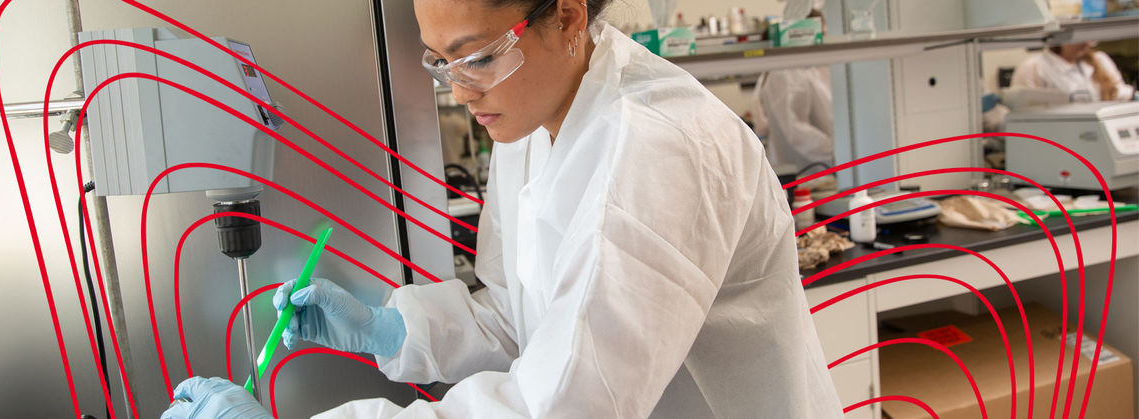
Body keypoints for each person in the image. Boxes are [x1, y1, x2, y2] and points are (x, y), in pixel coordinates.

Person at [165, 0, 843, 417]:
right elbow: (528, 319)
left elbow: (561, 406)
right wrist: (397, 330)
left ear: (569, 17)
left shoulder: (658, 148)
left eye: (478, 57)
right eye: (441, 63)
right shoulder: (533, 115)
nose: (460, 91)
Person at [753, 65, 835, 171]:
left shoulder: (816, 65)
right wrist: (837, 151)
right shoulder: (786, 72)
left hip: (823, 167)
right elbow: (795, 130)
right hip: (806, 168)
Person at [1011, 42, 1135, 103]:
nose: (1086, 43)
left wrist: (1133, 96)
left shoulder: (1100, 60)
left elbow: (1117, 92)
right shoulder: (1033, 67)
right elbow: (1024, 111)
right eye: (1079, 39)